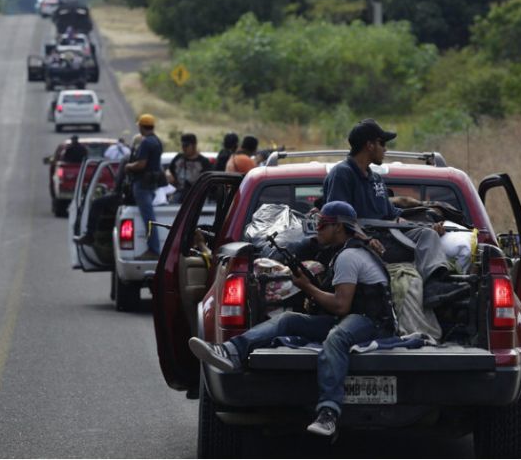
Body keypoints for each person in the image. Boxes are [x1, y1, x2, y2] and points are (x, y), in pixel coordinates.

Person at [188, 201, 396, 438]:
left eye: (322, 224)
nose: (316, 230)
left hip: (373, 323)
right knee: (288, 320)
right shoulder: (341, 252)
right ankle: (230, 351)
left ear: (338, 227)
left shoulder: (349, 256)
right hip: (351, 317)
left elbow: (341, 305)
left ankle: (329, 413)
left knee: (336, 338)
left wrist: (307, 287)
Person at [322, 119, 470, 306]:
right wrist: (365, 239)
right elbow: (339, 218)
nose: (385, 149)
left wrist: (427, 221)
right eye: (382, 143)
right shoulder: (342, 174)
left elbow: (392, 214)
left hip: (388, 236)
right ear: (369, 145)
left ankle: (434, 285)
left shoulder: (375, 178)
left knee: (428, 234)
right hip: (365, 245)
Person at [124, 114, 164, 260]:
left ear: (141, 126)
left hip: (142, 184)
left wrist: (128, 166)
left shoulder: (146, 142)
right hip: (151, 184)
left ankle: (153, 249)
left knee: (148, 218)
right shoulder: (157, 141)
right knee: (148, 216)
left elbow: (141, 164)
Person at [167, 133, 213, 203]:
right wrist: (169, 174)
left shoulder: (203, 162)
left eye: (186, 146)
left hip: (197, 195)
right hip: (179, 194)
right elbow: (169, 170)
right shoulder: (178, 158)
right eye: (183, 146)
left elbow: (209, 181)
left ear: (194, 146)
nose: (184, 148)